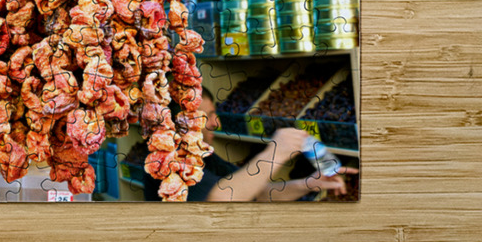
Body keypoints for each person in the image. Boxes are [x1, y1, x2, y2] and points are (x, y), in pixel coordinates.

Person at [140, 87, 357, 201]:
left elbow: (257, 193)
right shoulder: (165, 160)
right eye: (206, 117)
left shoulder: (204, 156)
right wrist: (276, 152)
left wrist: (308, 184)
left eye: (214, 114)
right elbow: (221, 200)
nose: (217, 123)